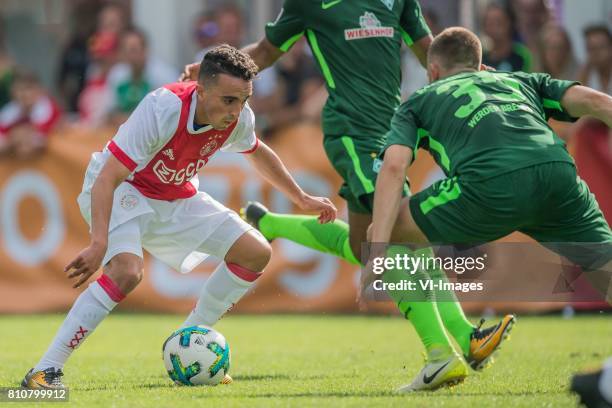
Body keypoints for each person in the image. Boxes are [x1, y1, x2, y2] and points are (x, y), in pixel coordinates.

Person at [181, 0, 513, 393]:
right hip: (353, 134)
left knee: (363, 245)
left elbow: (429, 49)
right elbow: (266, 52)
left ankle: (265, 222)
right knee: (398, 234)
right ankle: (444, 350)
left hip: (392, 129)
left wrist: (469, 75)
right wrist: (212, 74)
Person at [22, 45, 336, 389]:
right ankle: (43, 373)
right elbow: (108, 178)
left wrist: (301, 197)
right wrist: (99, 243)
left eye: (244, 100)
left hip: (174, 195)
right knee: (126, 272)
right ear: (201, 90)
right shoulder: (164, 106)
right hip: (125, 189)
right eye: (229, 100)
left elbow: (256, 150)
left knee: (255, 251)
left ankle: (187, 343)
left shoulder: (239, 118)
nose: (237, 111)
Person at [368, 27, 612, 392]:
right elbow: (598, 103)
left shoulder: (419, 100)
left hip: (487, 187)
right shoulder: (521, 80)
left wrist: (378, 254)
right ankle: (459, 342)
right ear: (481, 66)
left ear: (433, 70)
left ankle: (439, 357)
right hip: (558, 177)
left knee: (383, 233)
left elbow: (393, 167)